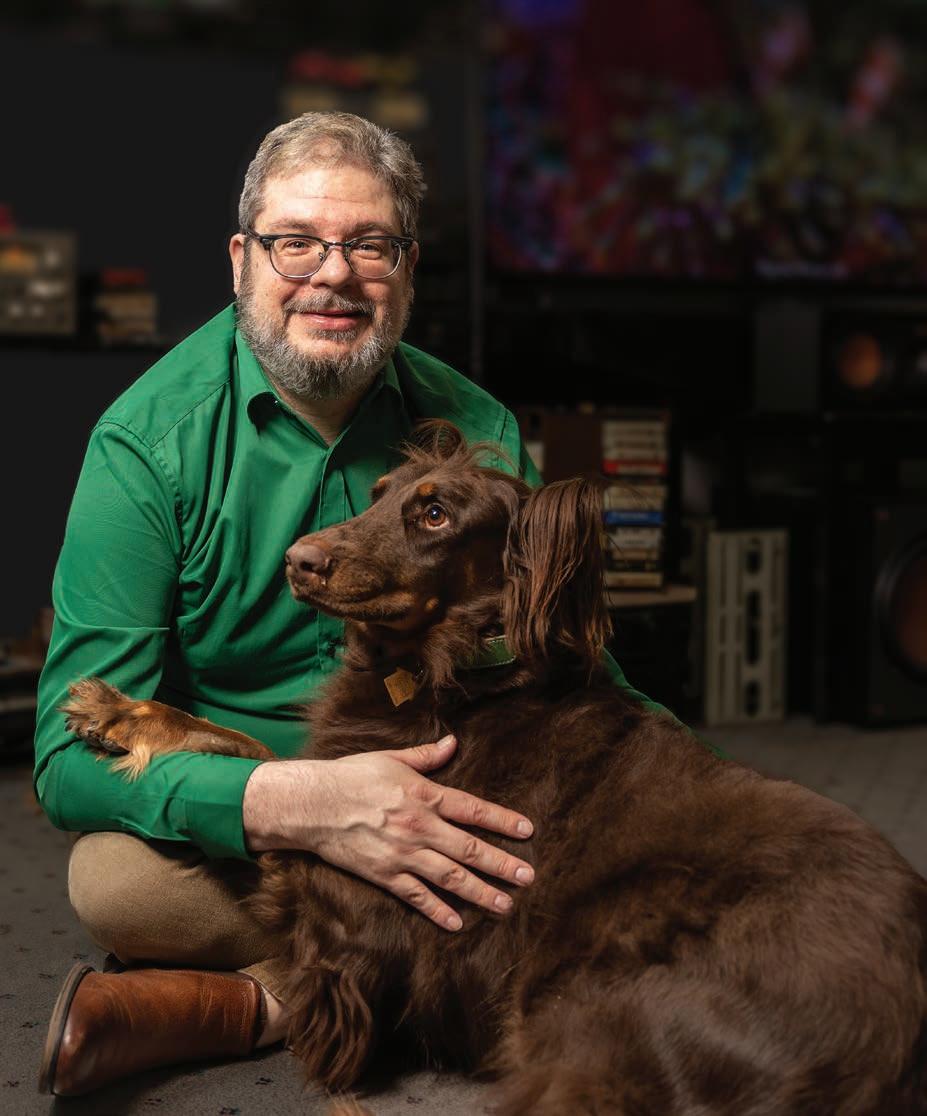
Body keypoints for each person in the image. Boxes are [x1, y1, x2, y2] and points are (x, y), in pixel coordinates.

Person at [33, 111, 667, 1097]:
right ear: (242, 260)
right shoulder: (144, 446)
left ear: (407, 272)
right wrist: (301, 805)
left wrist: (707, 793)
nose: (333, 275)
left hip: (449, 793)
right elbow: (66, 760)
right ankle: (425, 984)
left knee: (582, 844)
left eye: (370, 245)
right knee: (118, 885)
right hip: (259, 803)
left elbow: (566, 654)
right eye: (296, 242)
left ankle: (263, 1004)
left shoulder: (476, 425)